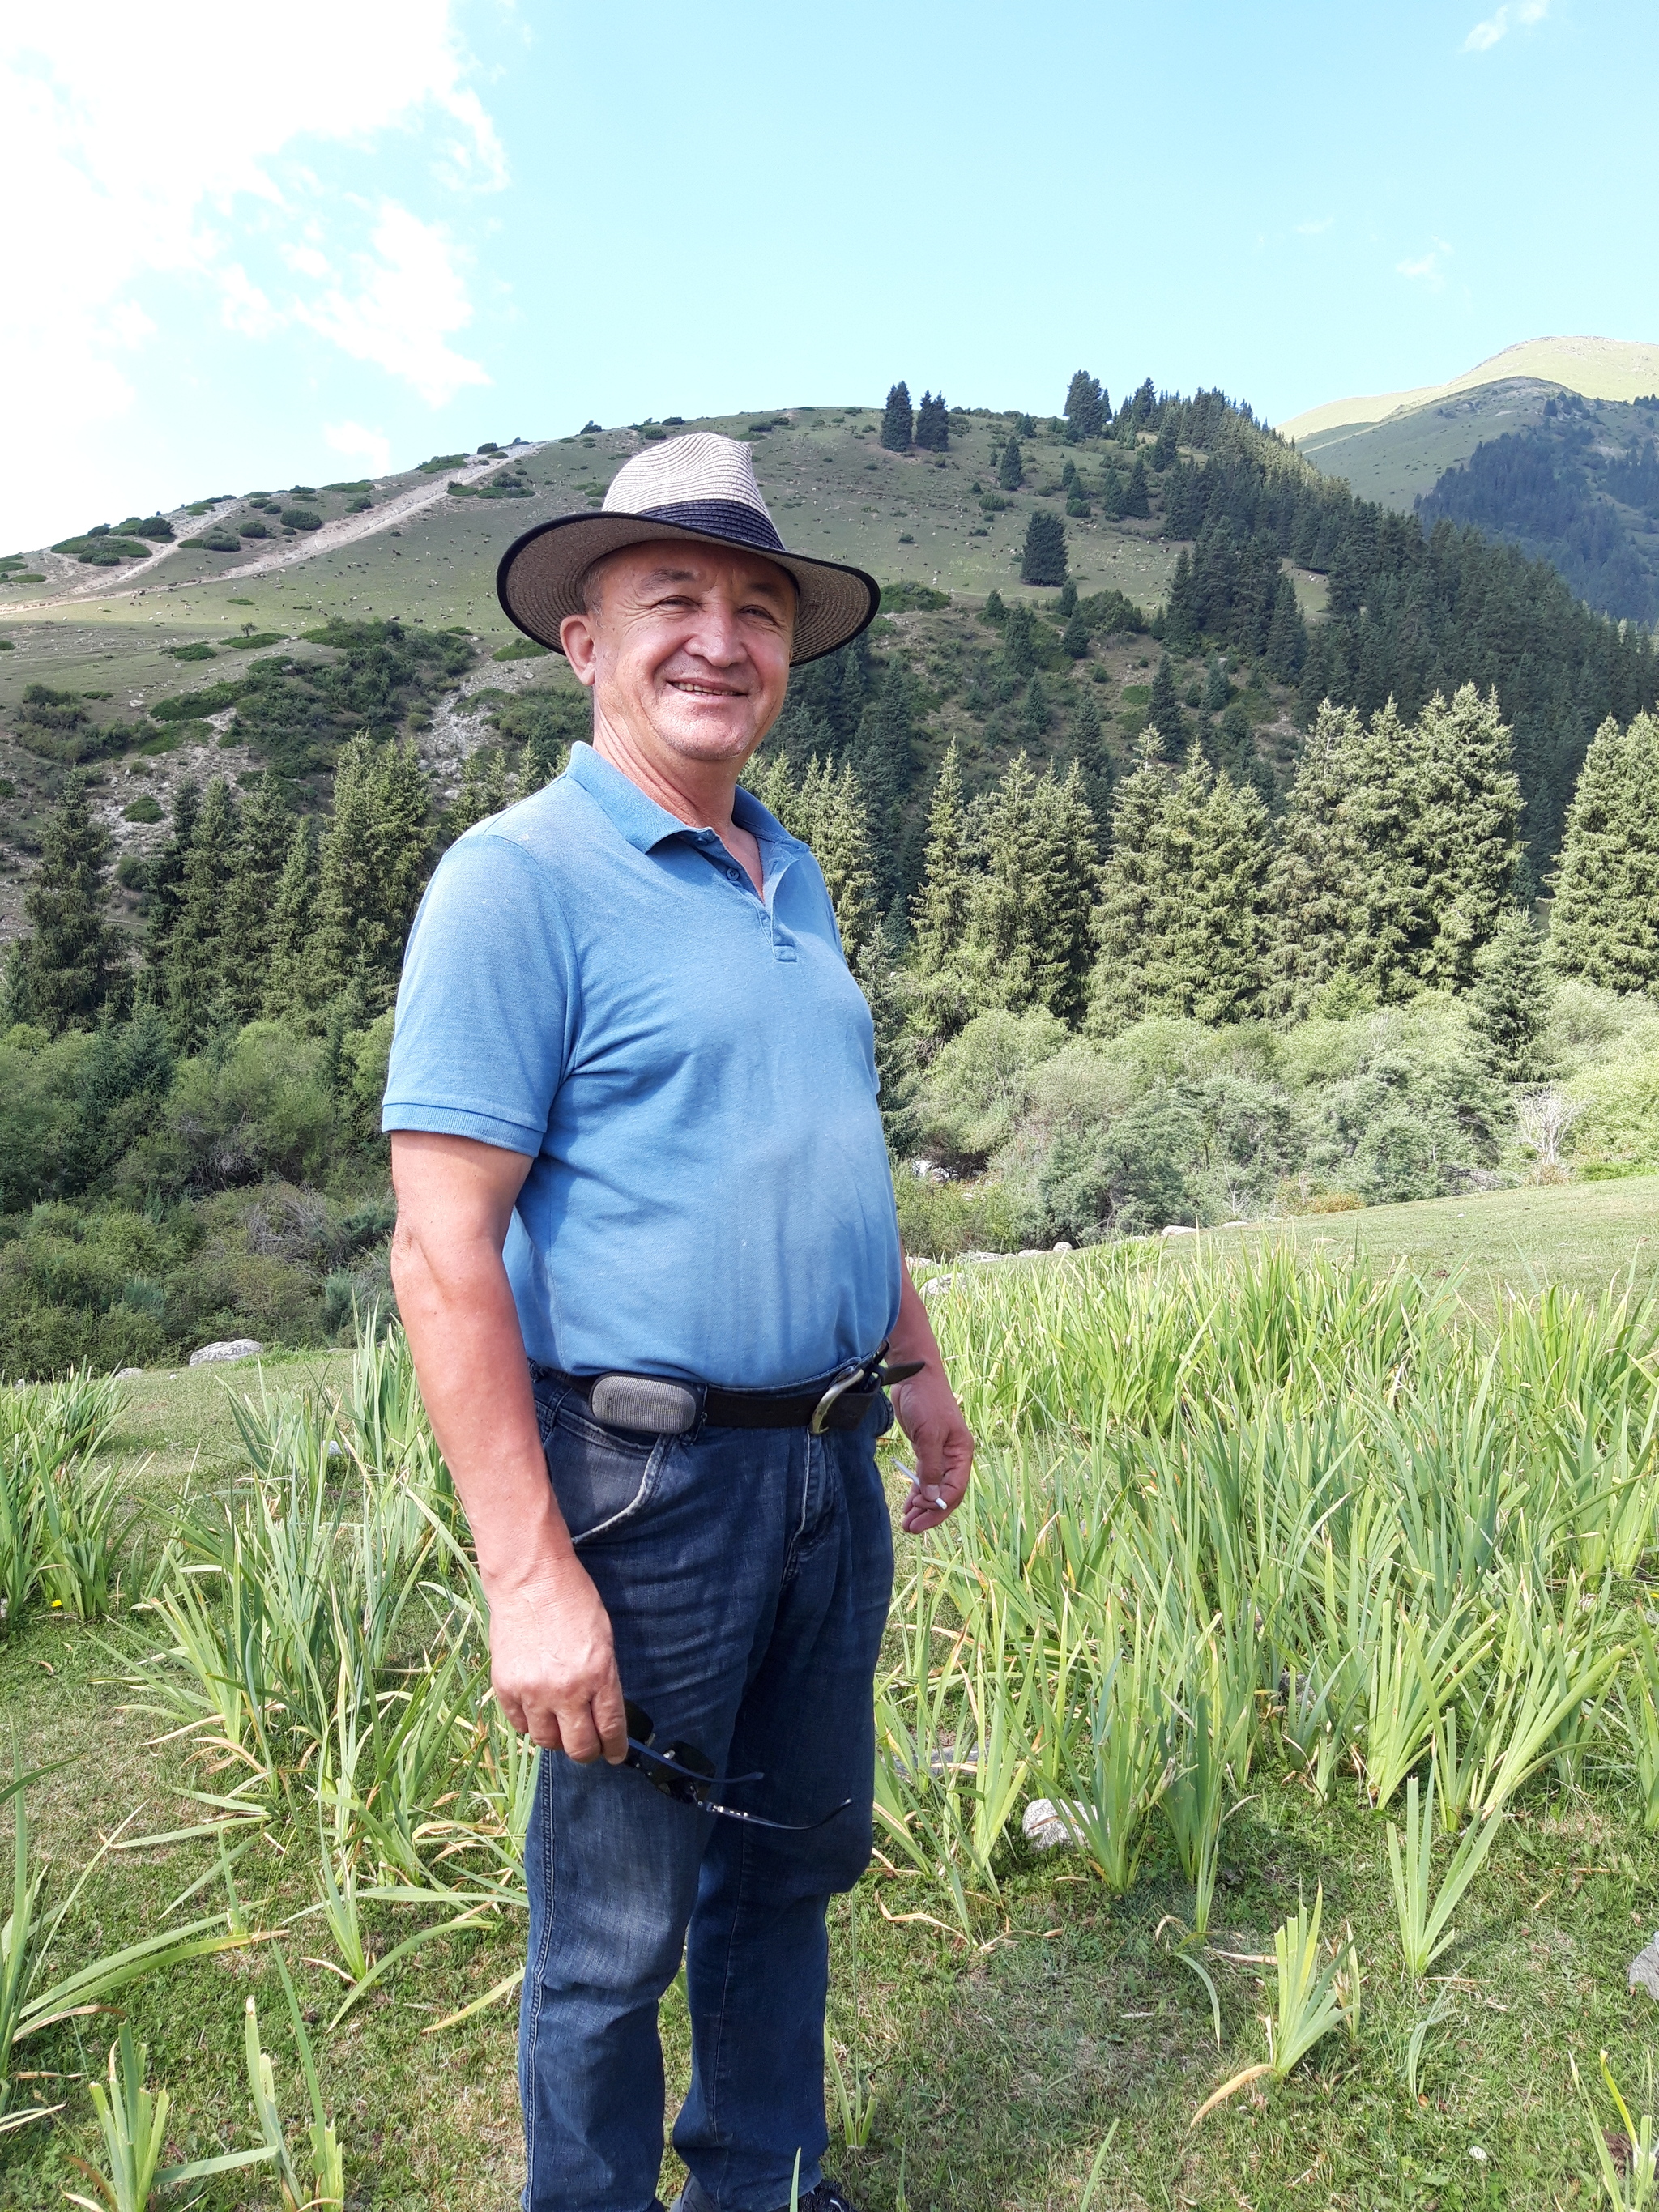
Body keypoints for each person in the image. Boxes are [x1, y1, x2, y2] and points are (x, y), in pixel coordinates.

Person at [383, 432, 975, 2212]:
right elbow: (439, 1248)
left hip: (823, 1468)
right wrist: (526, 1573)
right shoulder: (518, 879)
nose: (720, 638)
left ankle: (760, 2187)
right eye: (673, 601)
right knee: (611, 1935)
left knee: (788, 1873)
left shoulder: (787, 877)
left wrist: (924, 1372)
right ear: (584, 641)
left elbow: (827, 1161)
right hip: (642, 1493)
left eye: (754, 607)